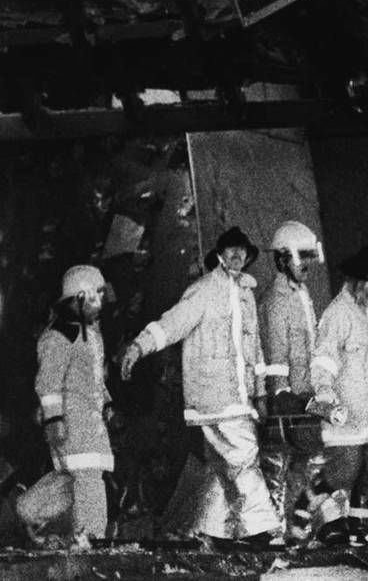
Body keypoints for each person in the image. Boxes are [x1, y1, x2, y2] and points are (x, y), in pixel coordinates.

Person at [119, 226, 279, 546]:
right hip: (216, 394)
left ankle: (216, 530)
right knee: (244, 457)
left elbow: (255, 352)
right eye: (230, 250)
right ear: (219, 256)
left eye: (241, 251)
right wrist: (140, 346)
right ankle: (259, 529)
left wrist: (261, 392)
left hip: (239, 396)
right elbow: (174, 321)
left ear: (247, 258)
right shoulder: (205, 290)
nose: (236, 256)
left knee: (223, 467)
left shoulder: (246, 297)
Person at [308, 246, 368, 546]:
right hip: (344, 410)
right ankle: (321, 516)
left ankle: (359, 526)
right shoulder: (338, 313)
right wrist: (324, 392)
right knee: (345, 469)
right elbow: (324, 357)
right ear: (360, 281)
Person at [35, 265, 117, 544]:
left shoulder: (90, 334)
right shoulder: (59, 336)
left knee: (79, 480)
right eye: (96, 296)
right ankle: (90, 539)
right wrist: (53, 419)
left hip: (89, 419)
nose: (101, 303)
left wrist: (107, 404)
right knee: (88, 479)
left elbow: (92, 376)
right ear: (79, 298)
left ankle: (34, 513)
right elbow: (48, 381)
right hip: (73, 420)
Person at [257, 220, 325, 543]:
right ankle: (276, 540)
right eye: (302, 257)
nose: (308, 264)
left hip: (305, 402)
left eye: (311, 256)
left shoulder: (302, 296)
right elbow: (275, 356)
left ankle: (298, 536)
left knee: (307, 470)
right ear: (283, 260)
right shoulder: (277, 300)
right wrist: (279, 396)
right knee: (277, 473)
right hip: (287, 404)